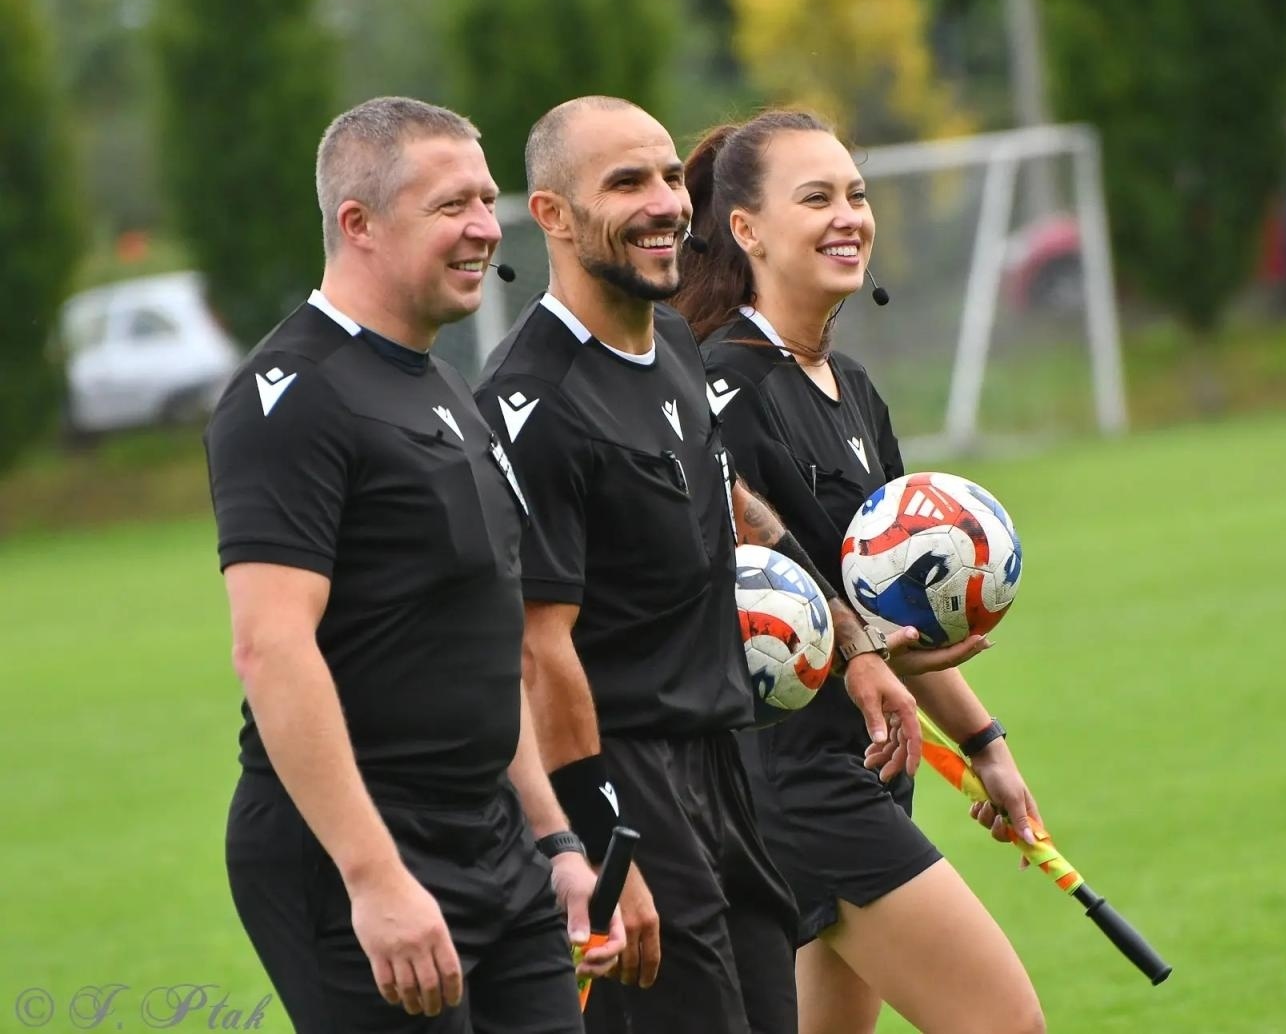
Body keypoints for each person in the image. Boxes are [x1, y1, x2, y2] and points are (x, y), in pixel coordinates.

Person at [472, 96, 922, 1034]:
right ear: (550, 215)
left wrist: (856, 645)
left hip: (730, 770)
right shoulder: (530, 400)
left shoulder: (674, 342)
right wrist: (598, 842)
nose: (666, 203)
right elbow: (536, 650)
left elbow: (729, 505)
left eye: (671, 176)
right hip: (629, 785)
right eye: (626, 183)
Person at [205, 96, 623, 1034]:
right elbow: (272, 649)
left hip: (496, 845)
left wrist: (552, 835)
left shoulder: (437, 380)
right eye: (451, 206)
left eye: (486, 199)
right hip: (357, 851)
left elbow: (480, 645)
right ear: (358, 223)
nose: (485, 226)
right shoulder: (290, 399)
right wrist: (373, 876)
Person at [672, 110, 1049, 1034]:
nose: (848, 216)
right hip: (793, 780)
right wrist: (862, 660)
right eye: (817, 198)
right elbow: (749, 600)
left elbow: (891, 613)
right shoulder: (722, 390)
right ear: (746, 230)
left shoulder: (855, 391)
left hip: (876, 759)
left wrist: (987, 743)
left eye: (856, 194)